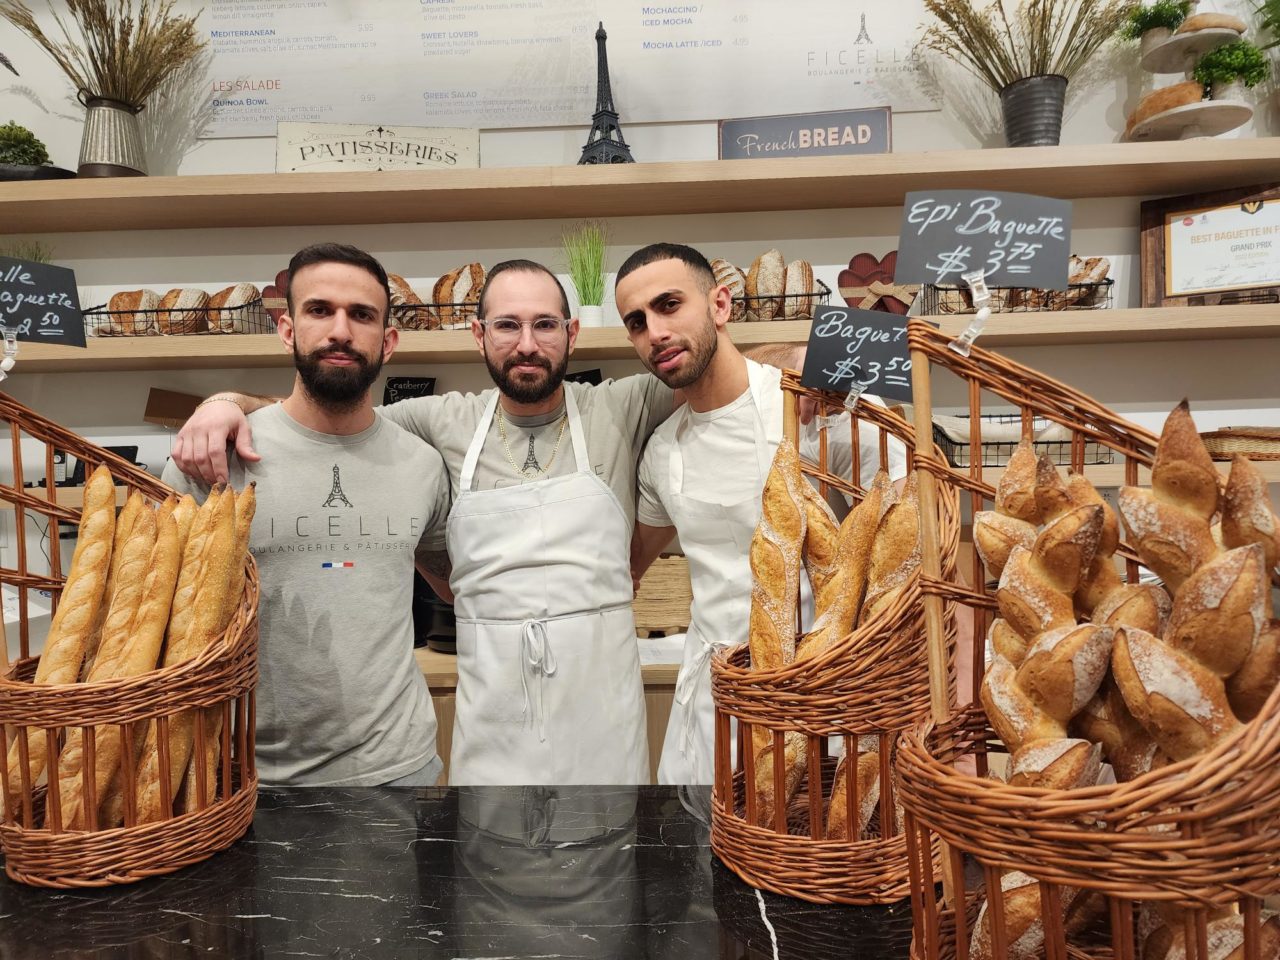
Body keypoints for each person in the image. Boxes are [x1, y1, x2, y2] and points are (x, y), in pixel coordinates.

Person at [169, 259, 676, 786]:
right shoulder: (436, 421)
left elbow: (731, 381)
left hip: (603, 710)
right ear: (479, 335)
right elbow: (326, 406)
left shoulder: (623, 405)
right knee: (489, 857)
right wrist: (224, 403)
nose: (527, 344)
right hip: (493, 712)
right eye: (506, 325)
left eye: (545, 324)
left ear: (572, 333)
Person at [615, 243, 909, 786]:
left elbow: (915, 523)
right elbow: (630, 567)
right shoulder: (661, 453)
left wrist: (817, 354)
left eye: (669, 304)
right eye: (636, 321)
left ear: (720, 305)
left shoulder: (815, 404)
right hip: (709, 712)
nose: (654, 331)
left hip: (821, 701)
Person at [163, 242, 452, 787]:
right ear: (287, 329)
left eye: (361, 314)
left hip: (398, 771)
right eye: (320, 310)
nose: (340, 330)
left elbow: (453, 581)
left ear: (387, 341)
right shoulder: (210, 461)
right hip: (240, 777)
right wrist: (220, 401)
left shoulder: (423, 465)